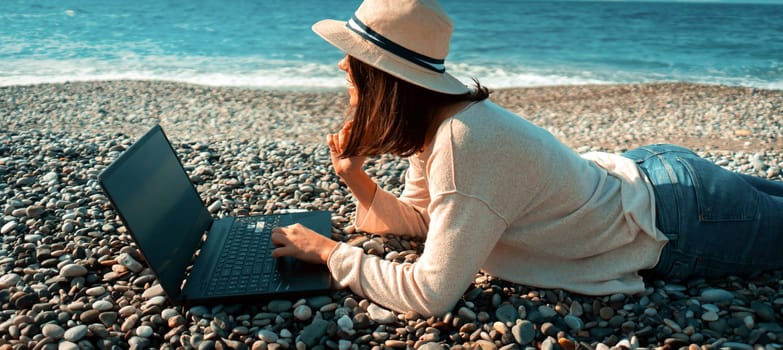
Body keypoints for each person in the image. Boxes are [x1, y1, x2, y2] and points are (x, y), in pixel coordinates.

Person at [269, 0, 783, 317]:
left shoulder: (461, 142)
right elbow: (431, 220)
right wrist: (354, 178)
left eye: (354, 59)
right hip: (654, 175)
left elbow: (431, 293)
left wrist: (333, 255)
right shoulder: (444, 119)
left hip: (677, 219)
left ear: (386, 80)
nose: (342, 64)